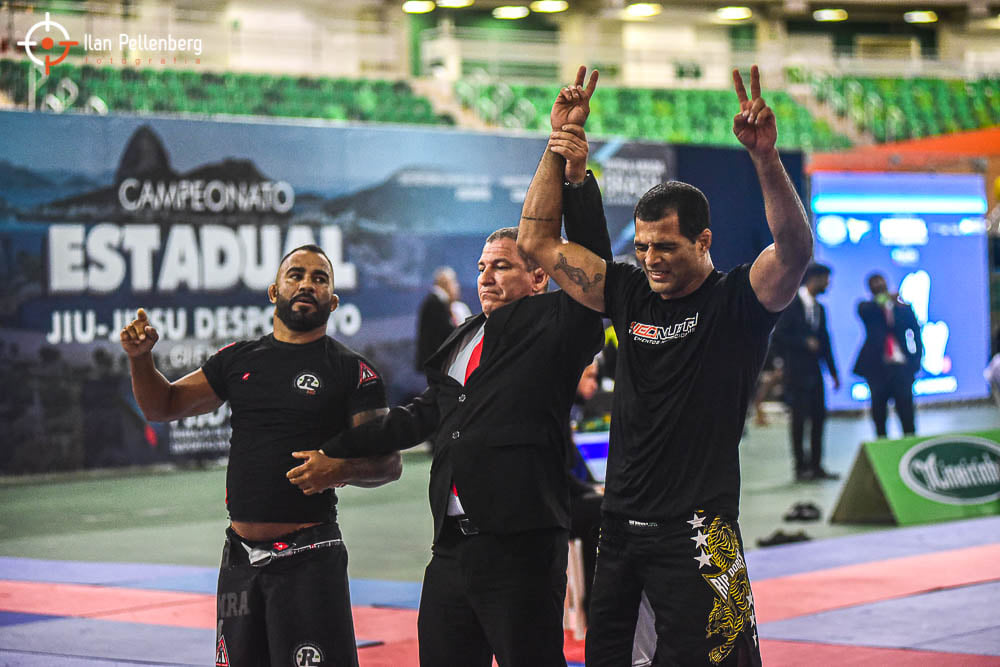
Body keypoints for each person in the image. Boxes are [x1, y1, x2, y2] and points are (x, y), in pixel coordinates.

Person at [518, 65, 813, 665]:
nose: (651, 259)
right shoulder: (628, 292)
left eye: (667, 247)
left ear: (703, 242)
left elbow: (794, 251)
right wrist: (558, 148)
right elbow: (538, 244)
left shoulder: (737, 302)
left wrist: (765, 159)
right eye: (644, 246)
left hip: (702, 535)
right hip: (621, 532)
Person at [320, 142, 612, 666]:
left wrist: (575, 182)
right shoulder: (464, 337)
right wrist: (334, 445)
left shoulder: (557, 327)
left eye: (502, 266)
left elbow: (593, 267)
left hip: (520, 546)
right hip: (450, 550)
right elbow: (424, 415)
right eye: (481, 266)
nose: (486, 276)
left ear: (540, 277)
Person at [119, 244, 401, 667]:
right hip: (240, 562)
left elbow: (388, 463)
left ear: (333, 301)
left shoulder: (353, 371)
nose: (307, 284)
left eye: (319, 278)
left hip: (310, 561)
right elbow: (163, 406)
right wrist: (141, 360)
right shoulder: (238, 360)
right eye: (296, 275)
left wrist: (338, 469)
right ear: (274, 291)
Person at [773, 263, 840, 481]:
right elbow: (779, 336)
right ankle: (801, 467)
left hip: (815, 373)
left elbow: (825, 342)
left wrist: (833, 372)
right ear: (816, 279)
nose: (828, 284)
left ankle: (817, 465)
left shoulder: (820, 309)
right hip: (797, 372)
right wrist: (803, 343)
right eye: (826, 279)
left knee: (819, 418)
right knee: (799, 420)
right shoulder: (791, 305)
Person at [852, 272, 923, 438]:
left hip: (901, 367)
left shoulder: (903, 309)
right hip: (877, 369)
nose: (879, 287)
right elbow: (867, 310)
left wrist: (916, 359)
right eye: (875, 284)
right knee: (879, 412)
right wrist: (885, 299)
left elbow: (916, 332)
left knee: (906, 410)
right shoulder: (867, 308)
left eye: (881, 283)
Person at [416, 266, 464, 370]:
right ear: (446, 283)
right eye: (454, 282)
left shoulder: (433, 301)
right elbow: (444, 332)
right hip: (437, 362)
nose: (456, 286)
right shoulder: (436, 303)